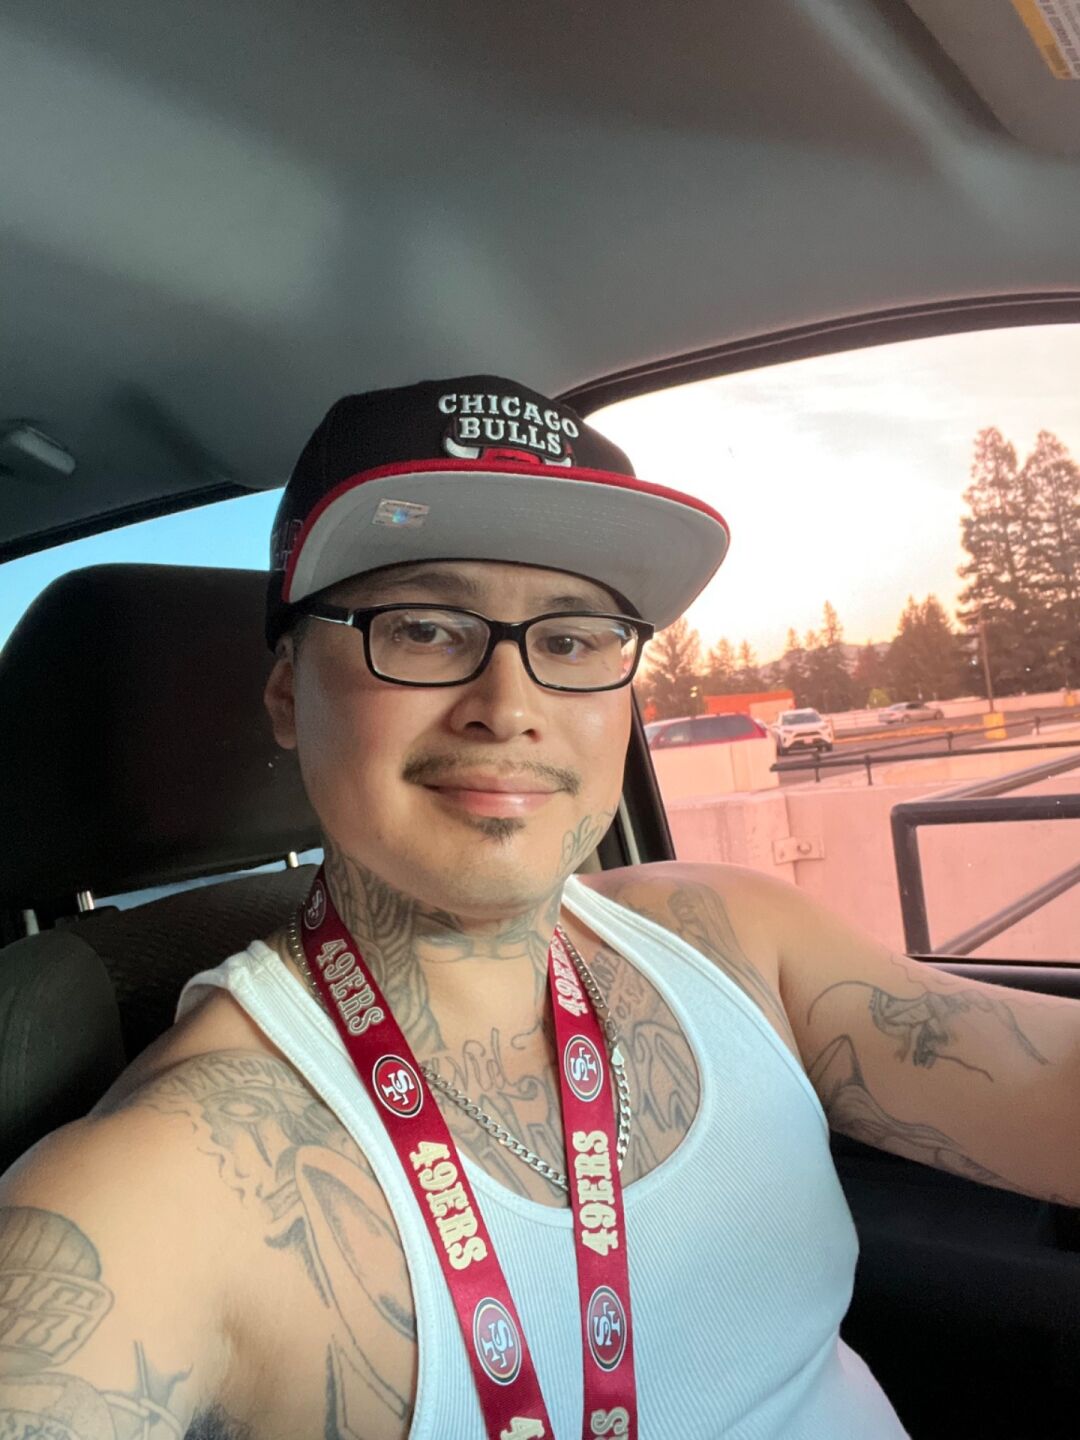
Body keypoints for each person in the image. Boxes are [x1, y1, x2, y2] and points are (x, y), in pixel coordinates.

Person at [1, 376, 1076, 1440]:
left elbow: (1043, 1081)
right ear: (288, 694)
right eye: (425, 628)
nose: (509, 707)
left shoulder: (736, 938)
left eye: (570, 639)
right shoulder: (166, 1187)